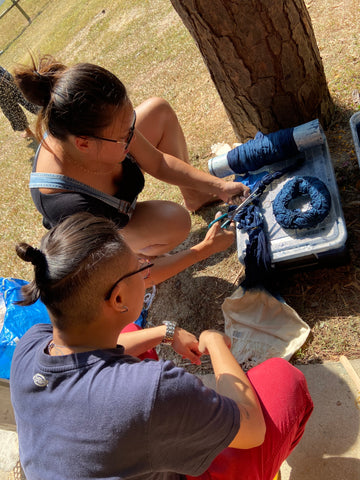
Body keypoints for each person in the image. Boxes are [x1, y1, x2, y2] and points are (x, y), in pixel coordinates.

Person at [10, 212, 313, 480]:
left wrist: (165, 333)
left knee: (130, 332)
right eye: (139, 267)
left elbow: (96, 356)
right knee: (282, 380)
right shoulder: (152, 389)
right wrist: (216, 343)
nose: (146, 270)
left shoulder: (31, 345)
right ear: (118, 298)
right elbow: (251, 430)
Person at [13, 55, 250, 285]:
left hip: (107, 180)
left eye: (131, 126)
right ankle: (140, 249)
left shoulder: (99, 130)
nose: (132, 137)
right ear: (83, 143)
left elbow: (157, 162)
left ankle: (195, 196)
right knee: (175, 222)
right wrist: (204, 249)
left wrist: (219, 186)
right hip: (108, 225)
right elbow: (130, 279)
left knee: (159, 110)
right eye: (124, 136)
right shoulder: (70, 206)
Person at [0, 66, 39, 138]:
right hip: (4, 75)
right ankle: (46, 115)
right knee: (22, 96)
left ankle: (28, 131)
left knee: (12, 110)